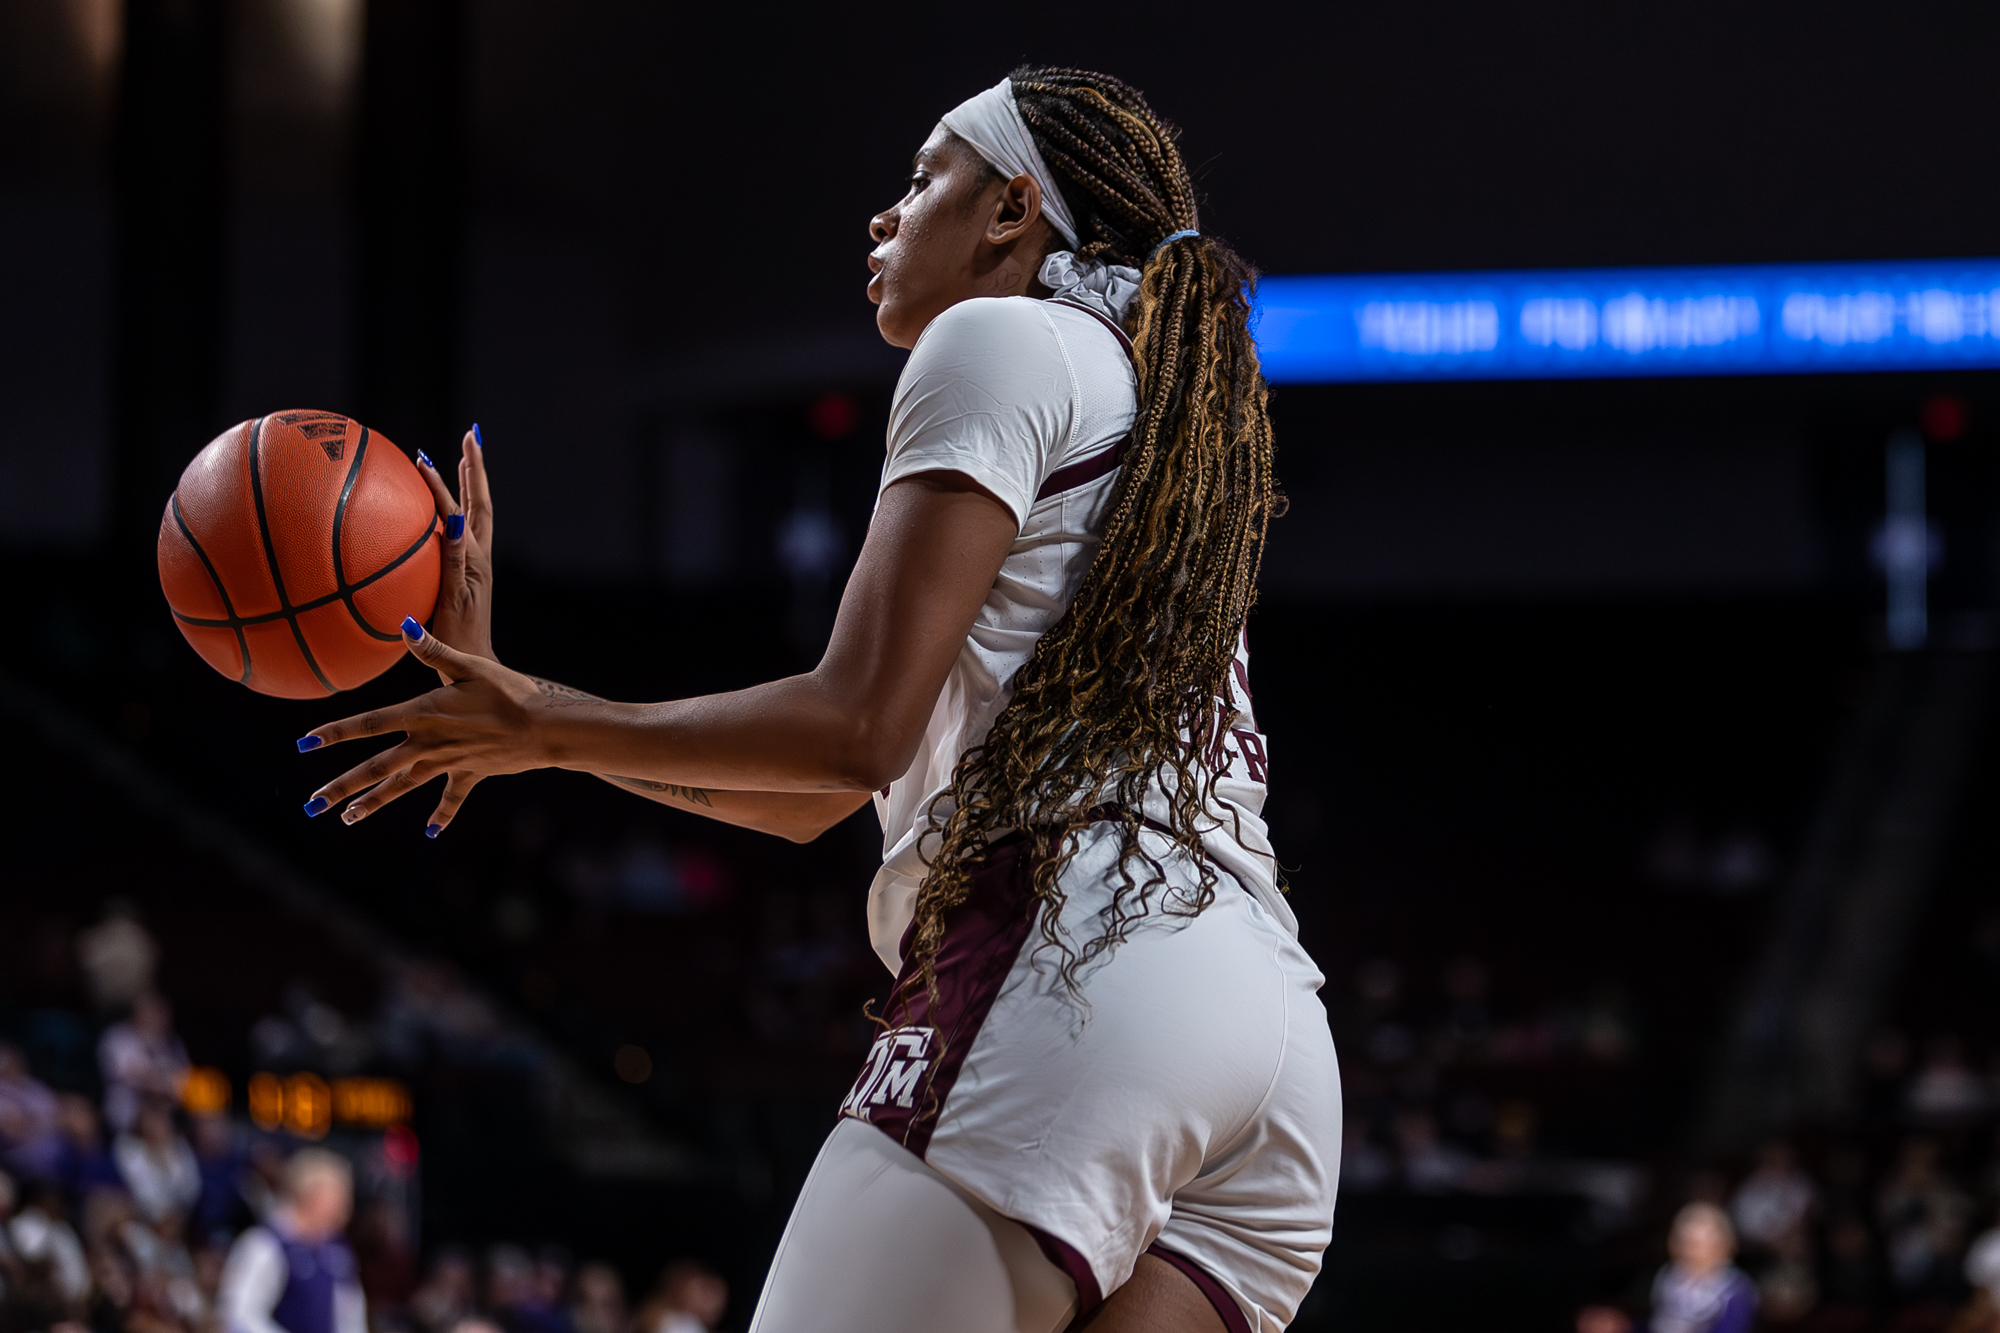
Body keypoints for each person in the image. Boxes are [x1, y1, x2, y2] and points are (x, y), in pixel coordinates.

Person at [296, 65, 1336, 1333]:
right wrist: (543, 732)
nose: (883, 218)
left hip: (1082, 958)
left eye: (920, 179)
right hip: (1267, 1032)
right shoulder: (1148, 404)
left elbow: (855, 723)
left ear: (1012, 209)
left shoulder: (997, 339)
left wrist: (544, 717)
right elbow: (822, 795)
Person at [217, 1150, 364, 1333]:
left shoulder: (337, 1252)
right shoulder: (265, 1244)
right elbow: (239, 1316)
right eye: (338, 1194)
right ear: (311, 1194)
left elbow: (350, 1316)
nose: (346, 1203)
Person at [1650, 1203, 1757, 1333]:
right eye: (1685, 1242)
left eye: (1698, 1244)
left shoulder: (1735, 1290)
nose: (1689, 1252)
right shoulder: (1668, 1276)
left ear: (1723, 1245)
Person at [98, 993, 190, 1136]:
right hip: (127, 1111)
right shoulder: (118, 1036)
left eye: (160, 1013)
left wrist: (165, 1085)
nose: (156, 1017)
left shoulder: (172, 1042)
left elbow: (184, 1081)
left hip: (166, 1113)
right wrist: (162, 1083)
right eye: (150, 1011)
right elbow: (132, 1075)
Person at [114, 1101, 201, 1225]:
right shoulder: (129, 1148)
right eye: (151, 1120)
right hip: (143, 1220)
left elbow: (192, 1189)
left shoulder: (179, 1146)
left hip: (183, 1219)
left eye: (161, 1120)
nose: (156, 1126)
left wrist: (165, 1162)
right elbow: (140, 1193)